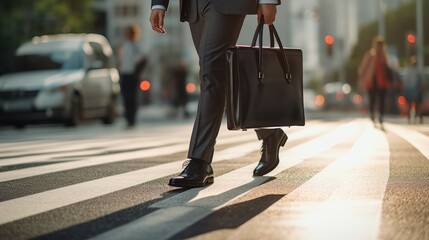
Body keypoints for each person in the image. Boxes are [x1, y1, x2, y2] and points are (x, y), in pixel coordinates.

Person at [150, 0, 287, 188]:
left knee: (210, 74)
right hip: (194, 5)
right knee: (218, 75)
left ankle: (200, 160)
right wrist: (159, 4)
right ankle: (269, 133)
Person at [358, 36, 391, 126]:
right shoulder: (370, 55)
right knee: (372, 99)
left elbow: (389, 68)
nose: (380, 46)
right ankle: (372, 114)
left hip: (383, 82)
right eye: (378, 44)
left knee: (382, 100)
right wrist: (362, 77)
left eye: (381, 45)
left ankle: (381, 116)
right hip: (372, 82)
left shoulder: (384, 55)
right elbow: (363, 68)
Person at [118, 24, 145, 128]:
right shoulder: (125, 45)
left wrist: (137, 72)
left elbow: (141, 59)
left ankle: (132, 118)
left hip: (132, 75)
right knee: (125, 96)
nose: (125, 34)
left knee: (132, 97)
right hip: (124, 73)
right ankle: (127, 117)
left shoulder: (135, 46)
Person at [403, 55, 424, 124]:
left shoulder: (413, 70)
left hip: (414, 89)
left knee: (415, 103)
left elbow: (406, 81)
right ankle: (414, 116)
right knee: (414, 103)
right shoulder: (415, 70)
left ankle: (416, 116)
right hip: (412, 89)